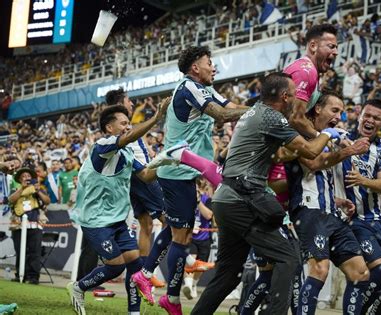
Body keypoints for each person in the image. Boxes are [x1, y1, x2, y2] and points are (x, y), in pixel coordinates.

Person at [191, 72, 343, 315]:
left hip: (226, 199)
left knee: (229, 275)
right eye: (295, 96)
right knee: (288, 257)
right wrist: (327, 135)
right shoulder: (272, 118)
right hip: (242, 200)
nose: (298, 101)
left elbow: (281, 154)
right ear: (284, 96)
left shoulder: (254, 112)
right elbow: (312, 152)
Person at [133, 45, 249, 313]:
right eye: (210, 62)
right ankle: (168, 296)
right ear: (195, 67)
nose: (214, 67)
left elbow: (230, 106)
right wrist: (263, 109)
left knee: (177, 231)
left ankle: (149, 275)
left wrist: (257, 108)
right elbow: (221, 114)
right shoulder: (189, 87)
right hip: (177, 171)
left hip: (186, 170)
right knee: (182, 237)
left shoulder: (204, 89)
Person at [66, 104, 168, 315]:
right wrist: (157, 117)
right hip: (95, 221)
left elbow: (147, 176)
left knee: (135, 264)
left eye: (128, 123)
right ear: (109, 128)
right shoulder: (102, 146)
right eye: (123, 123)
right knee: (116, 266)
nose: (127, 126)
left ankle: (134, 312)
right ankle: (78, 287)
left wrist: (169, 160)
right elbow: (129, 138)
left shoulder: (127, 154)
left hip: (117, 220)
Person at [285, 90, 371, 314]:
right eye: (335, 110)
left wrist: (338, 200)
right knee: (320, 270)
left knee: (360, 273)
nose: (339, 117)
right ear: (318, 109)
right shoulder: (299, 134)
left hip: (332, 213)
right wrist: (351, 150)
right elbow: (313, 164)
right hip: (309, 211)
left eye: (342, 112)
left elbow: (319, 179)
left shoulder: (330, 139)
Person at [336, 99, 381, 314]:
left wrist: (362, 180)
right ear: (359, 115)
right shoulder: (341, 138)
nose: (370, 120)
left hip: (377, 220)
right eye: (367, 115)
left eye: (376, 118)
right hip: (353, 220)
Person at [105, 88, 167, 289]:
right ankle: (151, 270)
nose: (132, 104)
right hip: (143, 178)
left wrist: (149, 150)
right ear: (121, 104)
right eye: (129, 101)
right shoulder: (123, 129)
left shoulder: (124, 127)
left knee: (146, 225)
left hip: (133, 180)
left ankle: (142, 274)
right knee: (171, 221)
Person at [284, 23, 338, 138]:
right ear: (313, 46)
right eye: (331, 46)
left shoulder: (311, 71)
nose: (336, 52)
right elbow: (295, 119)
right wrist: (323, 138)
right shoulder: (307, 72)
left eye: (336, 47)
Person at [9, 167, 50, 284]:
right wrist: (22, 188)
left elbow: (47, 201)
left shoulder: (38, 189)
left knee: (34, 252)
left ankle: (33, 277)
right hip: (18, 226)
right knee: (20, 251)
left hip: (35, 225)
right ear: (20, 179)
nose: (26, 178)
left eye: (28, 176)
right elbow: (11, 200)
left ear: (32, 178)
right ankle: (20, 274)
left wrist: (37, 191)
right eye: (23, 176)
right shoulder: (15, 189)